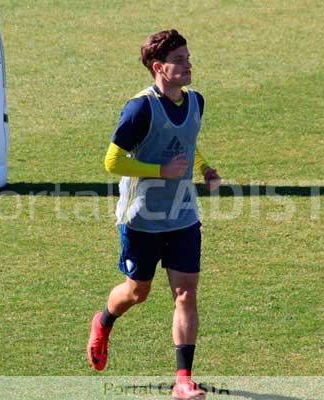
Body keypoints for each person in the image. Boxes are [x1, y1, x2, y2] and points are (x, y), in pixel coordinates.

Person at [86, 29, 221, 400]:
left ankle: (183, 379)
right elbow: (112, 161)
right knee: (136, 292)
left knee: (185, 295)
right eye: (180, 60)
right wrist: (161, 172)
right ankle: (104, 320)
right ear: (159, 67)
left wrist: (205, 167)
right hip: (141, 219)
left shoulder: (196, 101)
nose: (188, 64)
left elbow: (187, 140)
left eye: (188, 57)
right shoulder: (139, 109)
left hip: (183, 217)